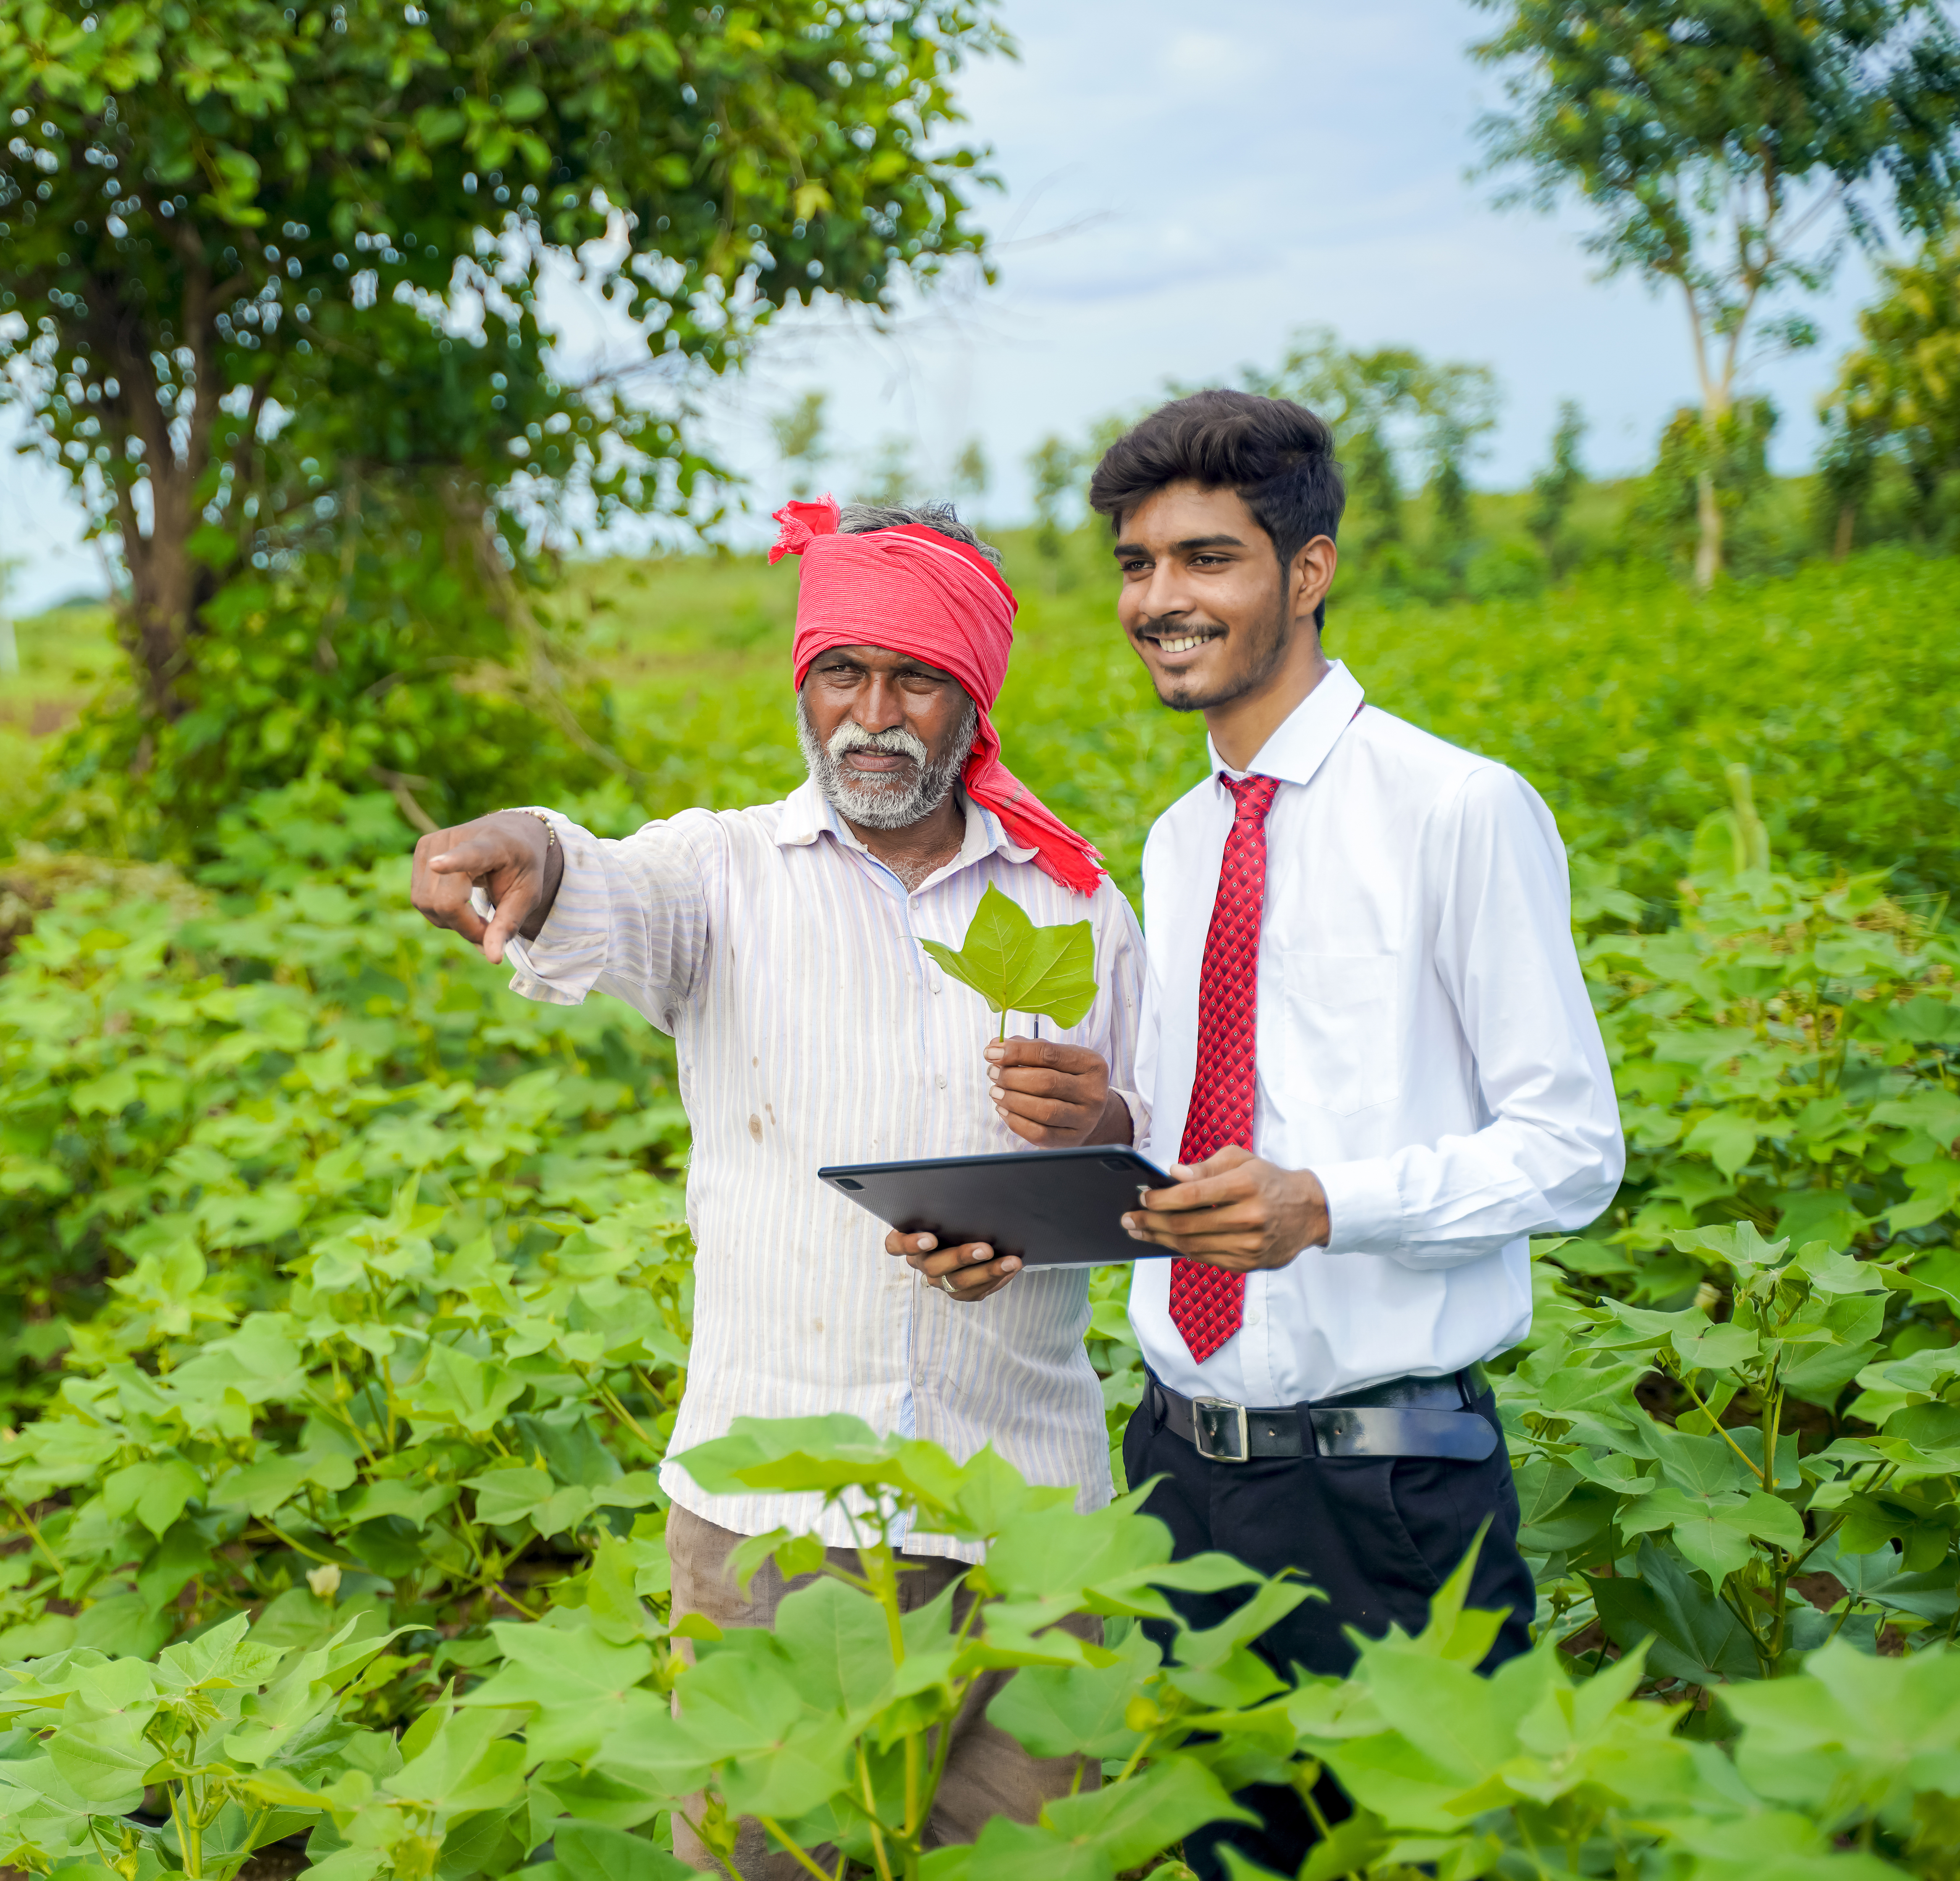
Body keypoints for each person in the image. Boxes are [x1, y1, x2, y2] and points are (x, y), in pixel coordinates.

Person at [902, 389, 1625, 1871]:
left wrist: (1325, 1207)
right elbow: (1199, 1133)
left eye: (1207, 560)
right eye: (1137, 564)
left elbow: (1572, 1150)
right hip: (1177, 1475)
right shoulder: (1181, 839)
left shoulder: (1458, 811)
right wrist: (1098, 1129)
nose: (1160, 600)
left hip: (1388, 1493)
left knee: (1422, 1857)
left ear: (1308, 571)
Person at [409, 498, 1145, 1873]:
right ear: (803, 685)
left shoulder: (1077, 904)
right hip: (775, 1531)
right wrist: (534, 847)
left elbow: (1149, 1171)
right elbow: (599, 894)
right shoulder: (721, 872)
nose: (873, 714)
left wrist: (1094, 1126)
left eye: (915, 678)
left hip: (1027, 1512)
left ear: (973, 695)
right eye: (840, 674)